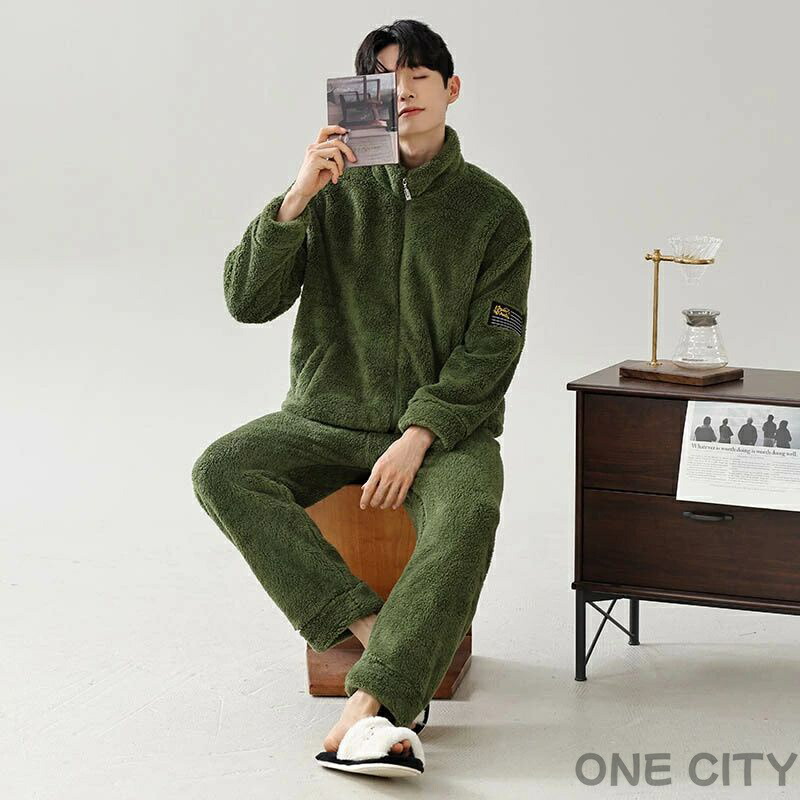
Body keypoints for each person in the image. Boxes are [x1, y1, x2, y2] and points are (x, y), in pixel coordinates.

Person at [192, 18, 532, 770]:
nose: (403, 92)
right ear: (362, 96)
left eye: (418, 76)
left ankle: (368, 704)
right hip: (326, 415)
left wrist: (420, 434)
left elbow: (494, 347)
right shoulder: (333, 189)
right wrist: (296, 199)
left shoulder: (493, 211)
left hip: (443, 434)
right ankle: (376, 633)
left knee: (471, 509)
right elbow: (246, 301)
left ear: (451, 88)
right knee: (222, 469)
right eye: (385, 80)